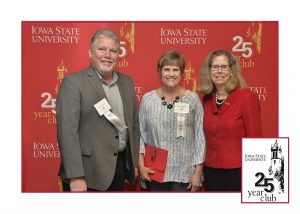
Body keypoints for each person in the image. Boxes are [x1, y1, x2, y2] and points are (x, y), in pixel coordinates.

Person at [56, 29, 140, 191]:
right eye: (102, 49)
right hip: (87, 173)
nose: (107, 55)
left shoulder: (127, 83)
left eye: (113, 50)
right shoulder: (73, 83)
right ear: (90, 52)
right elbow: (67, 132)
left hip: (119, 168)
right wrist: (75, 176)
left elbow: (134, 126)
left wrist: (133, 162)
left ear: (118, 54)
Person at [138, 50, 206, 192]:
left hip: (185, 173)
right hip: (154, 172)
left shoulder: (192, 99)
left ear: (181, 72)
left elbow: (200, 137)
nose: (171, 74)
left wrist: (198, 172)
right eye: (167, 69)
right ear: (160, 72)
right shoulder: (147, 99)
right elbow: (140, 135)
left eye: (175, 69)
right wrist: (141, 165)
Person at [199, 49, 262, 191]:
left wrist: (254, 171)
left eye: (224, 67)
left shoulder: (247, 97)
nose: (219, 71)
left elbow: (255, 138)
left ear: (232, 70)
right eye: (215, 67)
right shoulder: (207, 100)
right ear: (209, 71)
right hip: (211, 170)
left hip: (239, 171)